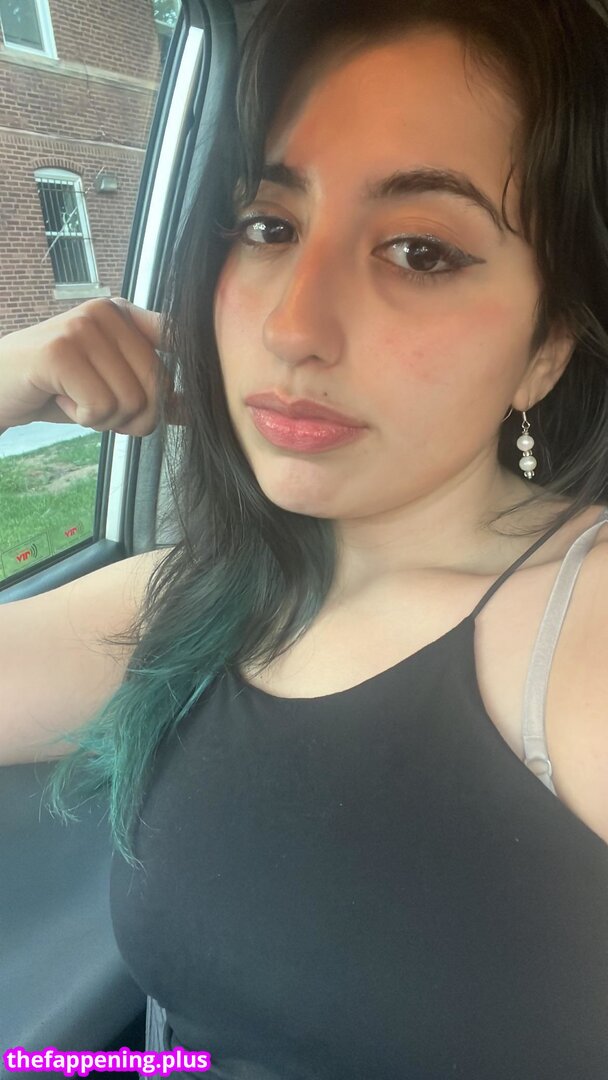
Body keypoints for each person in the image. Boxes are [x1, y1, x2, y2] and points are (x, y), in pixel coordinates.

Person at [1, 0, 608, 1076]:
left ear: (546, 348)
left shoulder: (579, 632)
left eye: (419, 250)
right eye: (268, 227)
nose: (292, 326)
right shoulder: (191, 602)